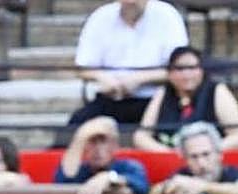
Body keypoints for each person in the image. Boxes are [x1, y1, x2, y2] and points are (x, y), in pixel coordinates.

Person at [68, 0, 188, 131]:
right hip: (111, 98)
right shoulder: (100, 17)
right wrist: (103, 77)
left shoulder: (167, 15)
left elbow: (182, 68)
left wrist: (139, 79)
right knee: (75, 126)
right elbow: (82, 67)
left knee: (172, 129)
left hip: (156, 99)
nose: (131, 3)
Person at [133, 46, 238, 152]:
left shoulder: (217, 91)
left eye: (192, 68)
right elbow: (141, 136)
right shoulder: (163, 93)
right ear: (169, 74)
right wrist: (168, 153)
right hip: (169, 158)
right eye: (180, 69)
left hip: (209, 160)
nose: (186, 74)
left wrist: (205, 152)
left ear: (202, 71)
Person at [54, 116, 150, 194]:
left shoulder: (128, 166)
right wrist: (80, 138)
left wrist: (109, 178)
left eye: (103, 141)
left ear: (115, 145)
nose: (97, 149)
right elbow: (60, 183)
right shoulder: (80, 171)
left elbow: (142, 186)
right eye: (92, 141)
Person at [148, 121, 238, 194]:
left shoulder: (235, 172)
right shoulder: (183, 174)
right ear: (185, 159)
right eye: (193, 157)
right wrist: (168, 187)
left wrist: (202, 186)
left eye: (206, 154)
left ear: (219, 154)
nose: (201, 163)